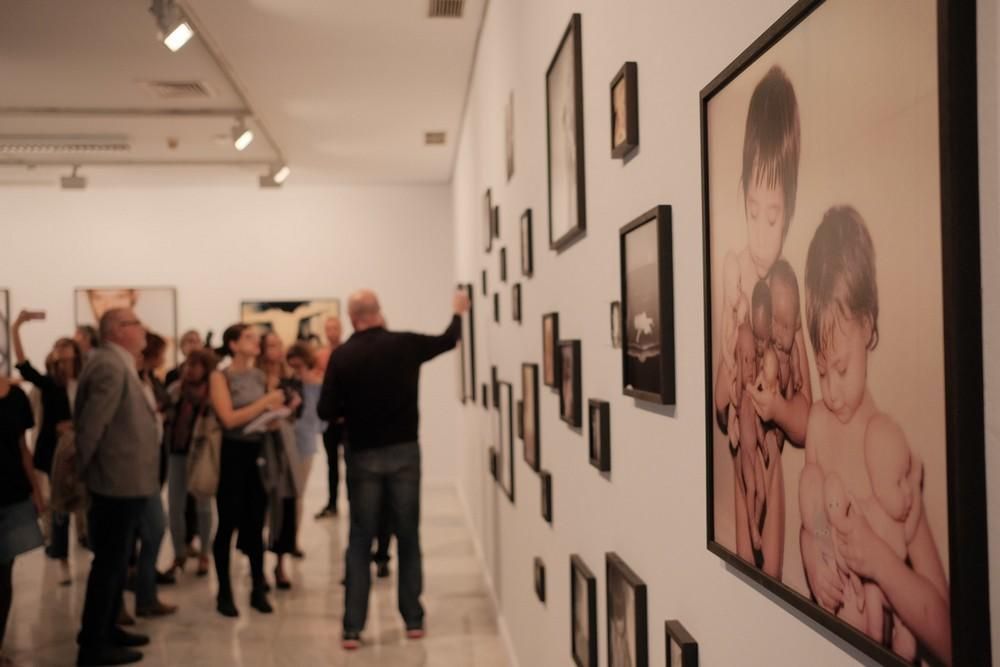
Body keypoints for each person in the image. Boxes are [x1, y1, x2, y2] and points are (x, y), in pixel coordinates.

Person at [799, 207, 950, 665]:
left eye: (840, 368)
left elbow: (949, 635)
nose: (830, 391)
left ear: (866, 326)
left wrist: (879, 561)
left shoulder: (887, 449)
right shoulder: (820, 427)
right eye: (822, 370)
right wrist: (811, 555)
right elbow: (812, 522)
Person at [317, 289, 467, 650]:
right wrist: (458, 310)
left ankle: (353, 628)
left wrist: (348, 411)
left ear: (353, 319)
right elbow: (448, 340)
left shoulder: (342, 357)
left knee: (359, 540)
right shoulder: (405, 344)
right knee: (408, 536)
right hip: (404, 453)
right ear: (380, 313)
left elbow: (324, 410)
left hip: (363, 455)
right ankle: (413, 620)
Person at [712, 65, 810, 578]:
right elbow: (718, 403)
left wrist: (779, 407)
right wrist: (730, 377)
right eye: (752, 211)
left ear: (789, 213)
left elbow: (807, 416)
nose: (760, 231)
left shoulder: (788, 290)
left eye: (772, 218)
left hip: (771, 465)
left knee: (769, 567)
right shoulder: (732, 285)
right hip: (736, 467)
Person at [74, 308, 160, 666]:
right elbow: (92, 427)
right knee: (109, 564)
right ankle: (94, 644)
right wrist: (84, 474)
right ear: (118, 331)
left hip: (126, 480)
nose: (143, 328)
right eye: (137, 322)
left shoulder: (119, 362)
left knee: (117, 559)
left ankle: (108, 628)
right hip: (115, 482)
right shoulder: (110, 365)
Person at [209, 324, 285, 618]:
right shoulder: (221, 376)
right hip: (232, 455)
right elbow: (228, 418)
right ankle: (224, 592)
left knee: (256, 524)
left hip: (258, 453)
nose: (257, 342)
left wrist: (277, 414)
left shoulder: (261, 376)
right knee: (227, 523)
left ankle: (257, 588)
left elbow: (266, 418)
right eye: (249, 337)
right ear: (233, 344)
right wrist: (266, 402)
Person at [11, 310, 81, 584]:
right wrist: (17, 326)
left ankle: (86, 544)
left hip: (85, 449)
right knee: (61, 507)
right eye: (57, 346)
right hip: (56, 453)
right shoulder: (50, 384)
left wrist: (75, 426)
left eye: (65, 345)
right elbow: (23, 364)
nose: (60, 349)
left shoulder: (87, 380)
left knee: (85, 506)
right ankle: (62, 559)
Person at [0, 371, 45, 667]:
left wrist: (37, 490)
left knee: (3, 577)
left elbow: (22, 448)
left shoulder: (15, 397)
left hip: (11, 493)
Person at [132, 334, 176, 618]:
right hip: (136, 468)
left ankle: (145, 593)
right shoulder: (134, 379)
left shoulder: (150, 379)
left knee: (152, 531)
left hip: (151, 463)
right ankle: (141, 594)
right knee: (151, 529)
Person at [163, 348, 216, 578]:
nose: (189, 370)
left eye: (195, 365)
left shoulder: (212, 393)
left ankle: (205, 553)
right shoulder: (175, 391)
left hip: (201, 454)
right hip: (177, 454)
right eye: (187, 365)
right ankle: (179, 553)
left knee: (203, 506)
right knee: (175, 507)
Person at [257, 332, 303, 590]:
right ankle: (258, 567)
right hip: (261, 445)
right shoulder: (256, 378)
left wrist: (291, 407)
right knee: (261, 506)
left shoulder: (291, 377)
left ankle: (280, 564)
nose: (275, 349)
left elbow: (300, 410)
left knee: (285, 504)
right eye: (270, 345)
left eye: (278, 344)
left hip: (284, 445)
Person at [286, 342, 324, 556]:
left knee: (298, 493)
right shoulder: (288, 383)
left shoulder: (317, 385)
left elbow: (320, 416)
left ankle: (293, 539)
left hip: (305, 442)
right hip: (286, 440)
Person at [314, 316, 344, 519]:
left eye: (334, 327)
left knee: (352, 463)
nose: (331, 331)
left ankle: (354, 503)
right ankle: (332, 503)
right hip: (329, 419)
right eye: (328, 328)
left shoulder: (348, 352)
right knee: (331, 463)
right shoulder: (320, 355)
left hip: (348, 419)